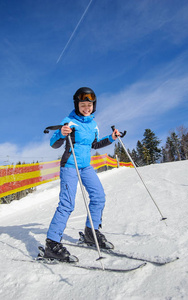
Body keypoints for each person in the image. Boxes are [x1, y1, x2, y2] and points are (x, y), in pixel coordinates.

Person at [44, 87, 120, 261]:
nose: (86, 108)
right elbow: (54, 143)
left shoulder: (93, 124)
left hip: (85, 166)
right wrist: (62, 134)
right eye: (83, 104)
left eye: (89, 105)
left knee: (99, 196)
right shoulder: (69, 121)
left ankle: (90, 233)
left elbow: (95, 144)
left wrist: (112, 138)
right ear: (77, 105)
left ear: (94, 106)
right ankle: (52, 244)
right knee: (67, 203)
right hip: (70, 165)